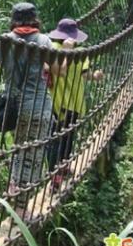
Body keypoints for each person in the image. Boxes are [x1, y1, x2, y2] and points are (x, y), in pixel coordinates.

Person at [0, 2, 55, 218]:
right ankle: (22, 207)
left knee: (19, 148)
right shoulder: (44, 40)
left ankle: (14, 190)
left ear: (13, 20)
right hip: (40, 107)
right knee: (33, 154)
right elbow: (57, 70)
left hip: (16, 108)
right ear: (35, 19)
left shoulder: (4, 41)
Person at [44, 18, 104, 190]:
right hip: (73, 103)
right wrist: (96, 76)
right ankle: (58, 172)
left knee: (55, 138)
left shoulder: (49, 49)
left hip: (53, 102)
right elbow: (85, 75)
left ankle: (58, 171)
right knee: (67, 139)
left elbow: (47, 68)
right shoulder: (80, 53)